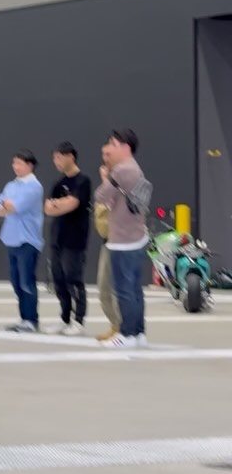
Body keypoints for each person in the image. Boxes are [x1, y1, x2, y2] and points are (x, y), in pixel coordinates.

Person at [94, 128, 149, 349]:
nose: (109, 148)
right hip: (137, 237)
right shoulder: (136, 169)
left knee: (123, 290)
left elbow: (100, 196)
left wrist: (105, 178)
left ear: (126, 147)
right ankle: (138, 333)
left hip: (122, 240)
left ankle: (126, 334)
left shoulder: (122, 170)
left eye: (113, 144)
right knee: (134, 290)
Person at [44, 142, 91, 335]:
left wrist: (59, 204)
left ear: (70, 156)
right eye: (54, 158)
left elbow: (73, 204)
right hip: (57, 238)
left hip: (74, 240)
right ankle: (64, 318)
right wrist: (60, 204)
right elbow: (48, 208)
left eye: (59, 157)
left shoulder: (83, 181)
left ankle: (79, 320)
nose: (56, 162)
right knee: (59, 280)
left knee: (74, 279)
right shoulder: (58, 184)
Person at [0, 150, 44, 333]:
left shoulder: (34, 186)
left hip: (27, 240)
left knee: (26, 281)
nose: (15, 167)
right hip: (11, 238)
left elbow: (15, 206)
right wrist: (6, 205)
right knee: (16, 281)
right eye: (14, 163)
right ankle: (24, 318)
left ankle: (31, 319)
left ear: (30, 165)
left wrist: (7, 205)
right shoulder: (11, 185)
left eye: (19, 163)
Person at [94, 143, 122, 341]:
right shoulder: (107, 184)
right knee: (103, 287)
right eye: (103, 154)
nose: (104, 158)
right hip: (106, 241)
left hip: (120, 241)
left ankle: (123, 328)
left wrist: (106, 181)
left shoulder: (123, 180)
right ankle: (115, 325)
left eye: (108, 154)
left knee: (117, 289)